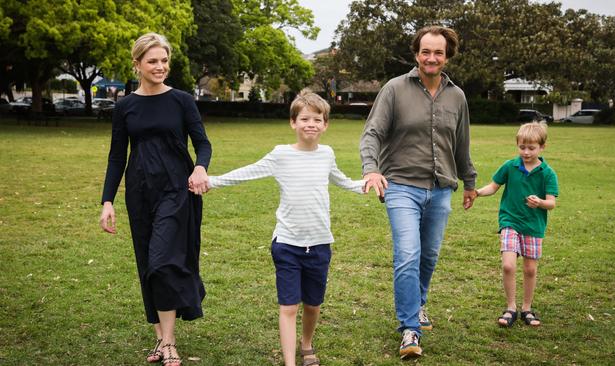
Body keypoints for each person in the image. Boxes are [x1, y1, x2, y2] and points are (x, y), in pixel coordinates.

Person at [204, 91, 366, 366]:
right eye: (305, 118)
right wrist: (212, 181)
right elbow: (248, 171)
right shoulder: (281, 155)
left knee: (312, 306)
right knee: (289, 306)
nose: (311, 124)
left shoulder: (327, 154)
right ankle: (290, 362)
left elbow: (341, 180)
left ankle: (307, 345)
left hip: (319, 244)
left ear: (325, 125)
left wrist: (364, 185)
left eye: (317, 119)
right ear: (293, 122)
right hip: (287, 244)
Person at [360, 25, 477, 359]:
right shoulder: (395, 89)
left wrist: (469, 182)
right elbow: (372, 134)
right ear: (416, 54)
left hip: (441, 189)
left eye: (438, 52)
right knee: (408, 254)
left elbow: (461, 144)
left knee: (429, 255)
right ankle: (409, 328)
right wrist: (371, 167)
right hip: (400, 187)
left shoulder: (457, 96)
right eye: (425, 51)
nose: (431, 57)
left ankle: (419, 303)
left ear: (447, 55)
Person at [99, 32, 211, 366]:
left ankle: (170, 342)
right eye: (153, 61)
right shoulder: (125, 107)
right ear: (137, 65)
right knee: (148, 262)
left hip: (177, 189)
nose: (160, 67)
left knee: (163, 261)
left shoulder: (182, 100)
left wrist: (201, 168)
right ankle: (160, 340)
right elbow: (117, 156)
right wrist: (107, 201)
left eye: (164, 60)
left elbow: (202, 143)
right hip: (140, 191)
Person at [474, 122, 558, 327]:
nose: (526, 152)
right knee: (508, 265)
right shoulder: (509, 166)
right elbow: (493, 187)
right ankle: (511, 308)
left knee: (530, 269)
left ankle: (527, 309)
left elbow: (551, 203)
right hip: (510, 221)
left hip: (533, 226)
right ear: (517, 145)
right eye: (522, 147)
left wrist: (539, 203)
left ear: (542, 147)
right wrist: (476, 193)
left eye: (531, 148)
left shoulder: (548, 173)